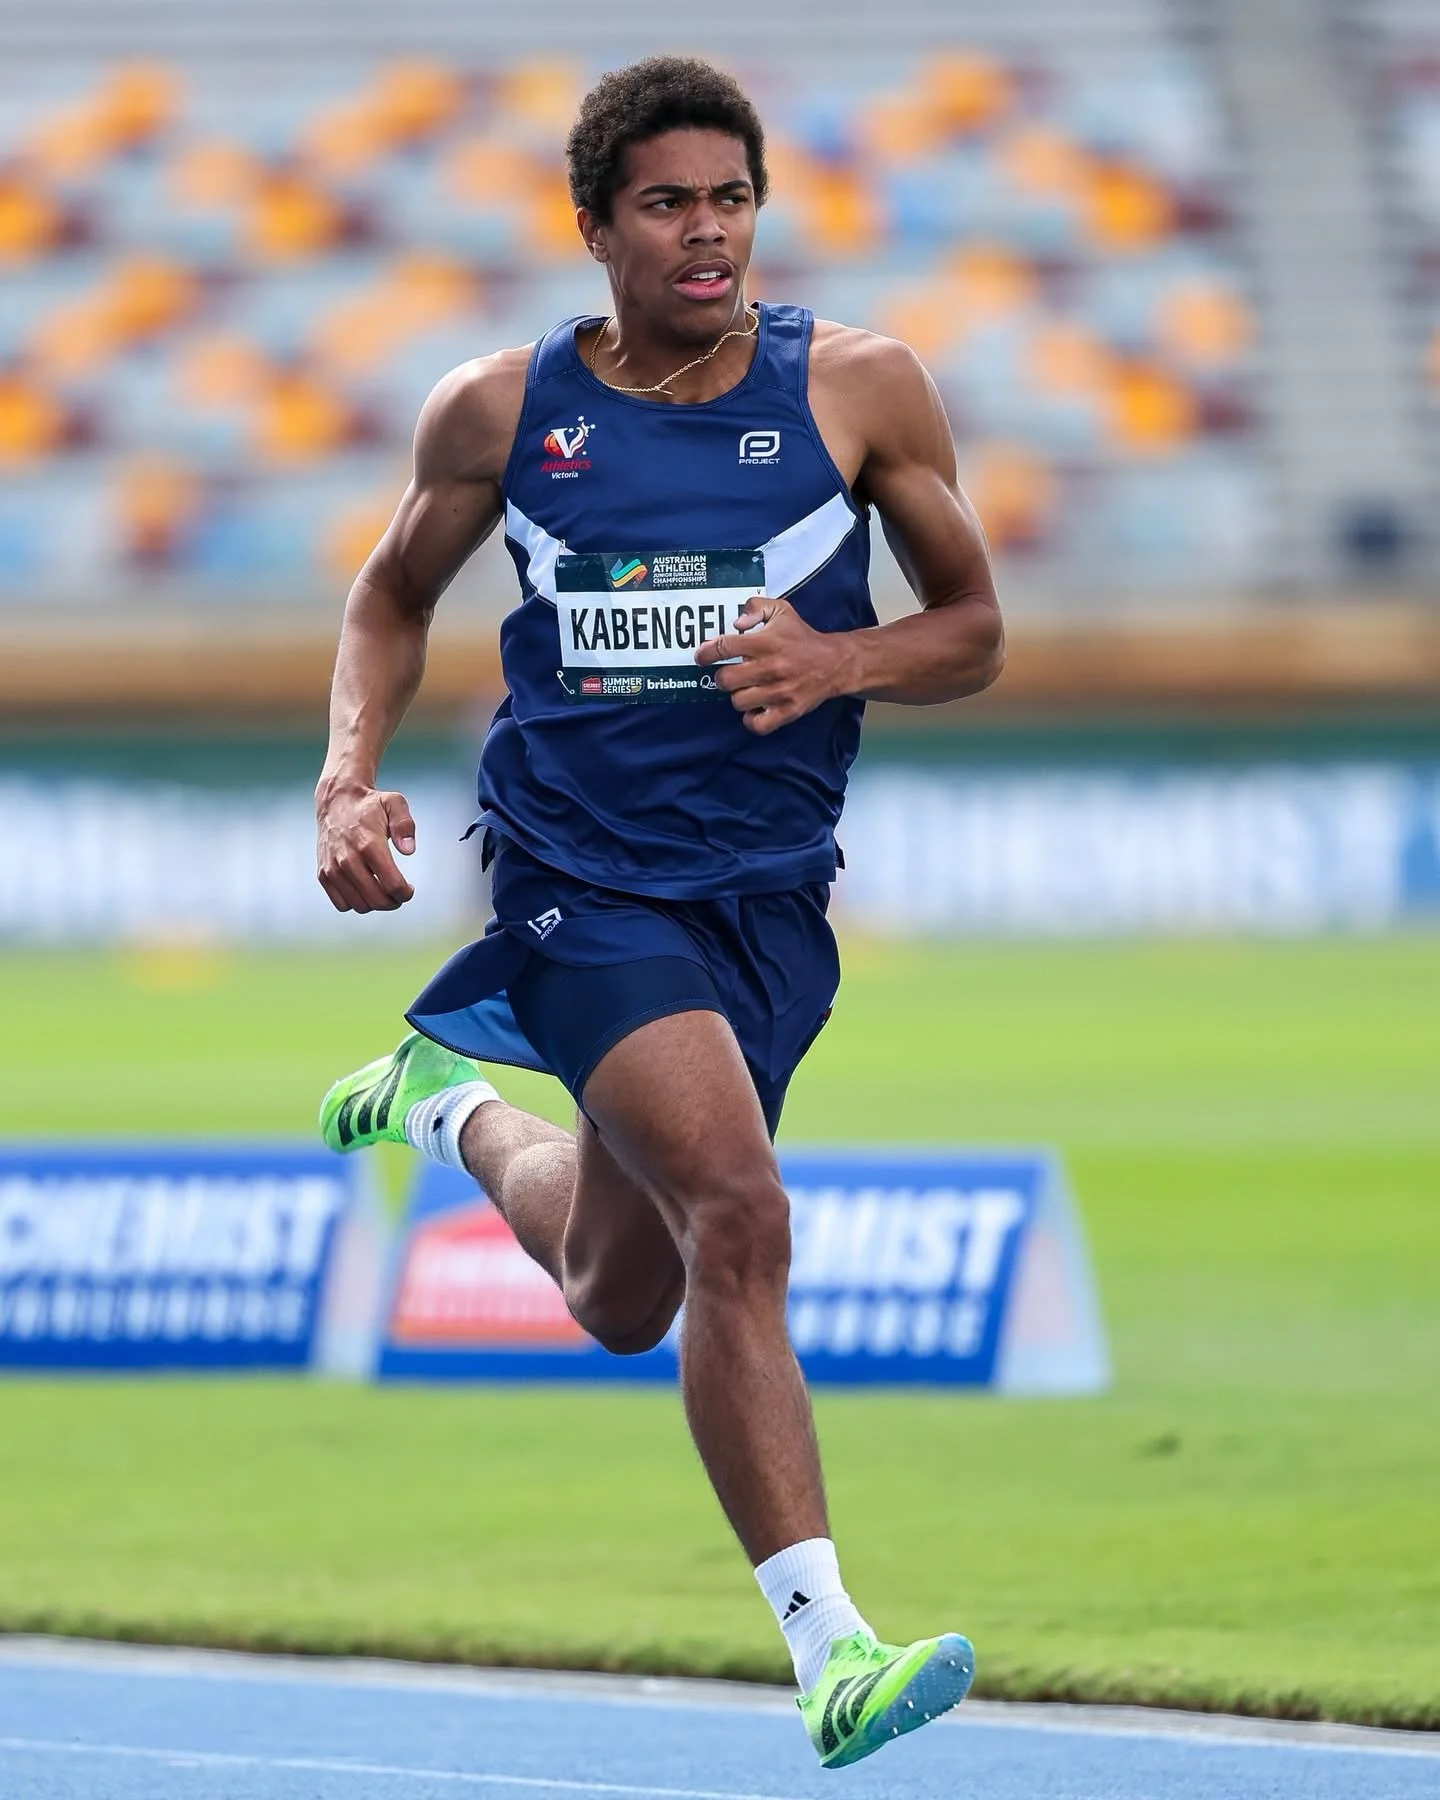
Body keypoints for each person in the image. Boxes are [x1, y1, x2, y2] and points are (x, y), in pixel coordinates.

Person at [315, 55, 1004, 1769]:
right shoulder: (500, 409)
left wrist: (840, 655)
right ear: (598, 228)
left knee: (623, 1293)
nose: (708, 234)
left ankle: (450, 1103)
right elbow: (388, 596)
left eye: (731, 199)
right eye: (668, 204)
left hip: (768, 901)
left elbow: (976, 628)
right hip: (574, 878)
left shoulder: (859, 389)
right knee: (741, 1217)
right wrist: (347, 776)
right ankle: (832, 1651)